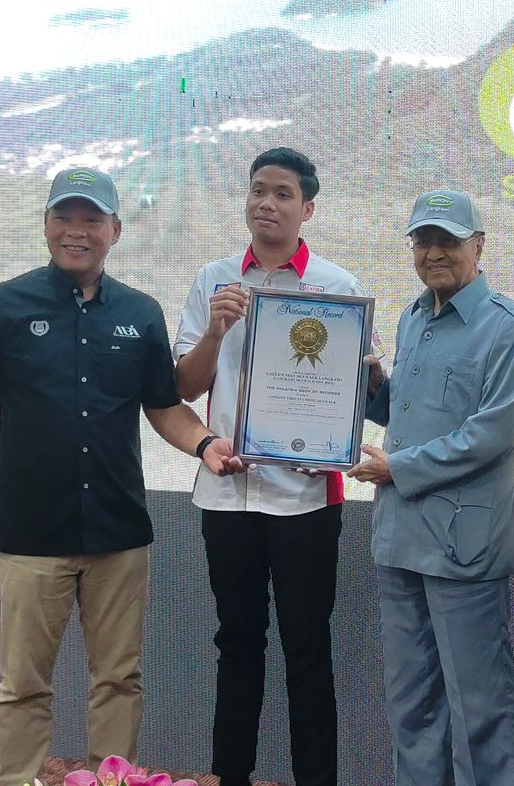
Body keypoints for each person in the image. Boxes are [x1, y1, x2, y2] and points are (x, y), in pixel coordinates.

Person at [0, 167, 239, 786]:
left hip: (118, 534)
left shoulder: (140, 313)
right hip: (28, 534)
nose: (77, 231)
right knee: (23, 686)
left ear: (115, 230)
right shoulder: (1, 305)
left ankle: (112, 781)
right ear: (46, 226)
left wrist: (203, 442)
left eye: (92, 219)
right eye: (64, 217)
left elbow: (163, 404)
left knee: (118, 680)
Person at [173, 147, 364, 786]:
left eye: (283, 193)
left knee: (307, 650)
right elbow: (180, 384)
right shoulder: (214, 279)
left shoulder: (335, 287)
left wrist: (330, 441)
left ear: (307, 209)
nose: (267, 203)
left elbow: (346, 394)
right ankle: (232, 777)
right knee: (236, 645)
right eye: (258, 191)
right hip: (226, 495)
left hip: (306, 498)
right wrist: (215, 332)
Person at [347, 189, 514, 786]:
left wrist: (397, 469)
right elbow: (405, 414)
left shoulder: (507, 325)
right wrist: (375, 384)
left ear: (478, 246)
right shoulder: (410, 316)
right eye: (423, 241)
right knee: (412, 702)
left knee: (478, 706)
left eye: (448, 240)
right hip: (401, 537)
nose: (434, 253)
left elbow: (491, 433)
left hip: (464, 544)